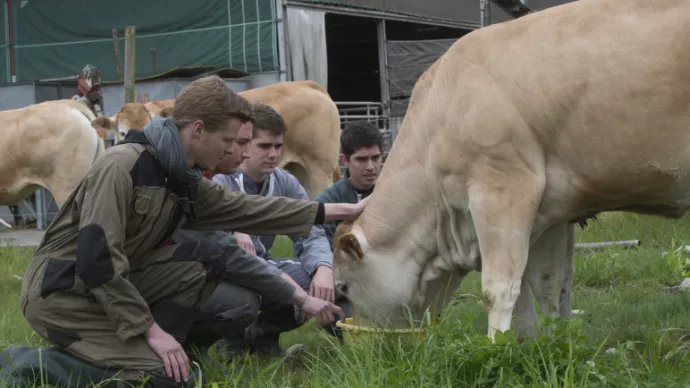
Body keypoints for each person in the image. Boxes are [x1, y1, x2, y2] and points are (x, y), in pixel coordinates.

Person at [0, 75, 367, 388]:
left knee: (205, 260)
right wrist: (150, 332)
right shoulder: (123, 166)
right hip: (64, 293)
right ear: (197, 130)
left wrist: (343, 210)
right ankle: (28, 363)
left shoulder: (182, 176)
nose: (232, 152)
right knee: (165, 377)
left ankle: (164, 349)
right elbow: (97, 260)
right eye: (229, 141)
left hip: (115, 287)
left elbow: (250, 210)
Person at [203, 103, 340, 354]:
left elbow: (309, 230)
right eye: (264, 146)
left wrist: (323, 268)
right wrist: (291, 288)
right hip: (227, 273)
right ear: (245, 145)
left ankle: (262, 336)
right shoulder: (221, 181)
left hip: (264, 264)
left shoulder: (283, 180)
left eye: (278, 146)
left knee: (319, 280)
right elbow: (234, 258)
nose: (273, 154)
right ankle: (229, 344)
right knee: (249, 295)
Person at [316, 120, 384, 249]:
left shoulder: (395, 192)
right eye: (361, 159)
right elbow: (323, 251)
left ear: (382, 153)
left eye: (375, 158)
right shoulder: (328, 201)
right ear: (344, 160)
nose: (370, 167)